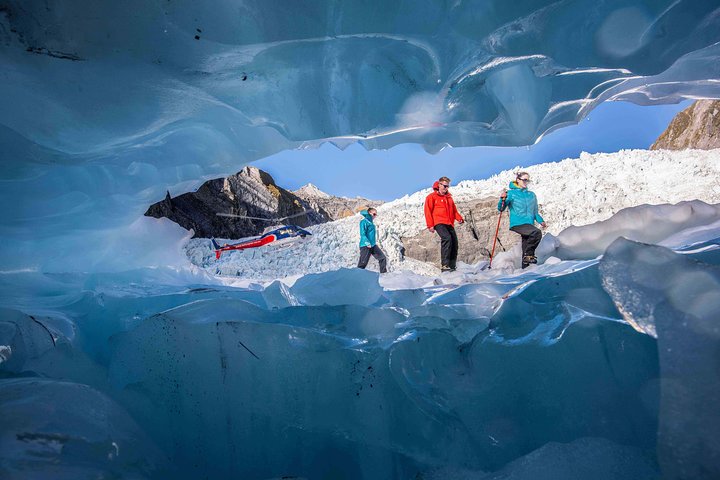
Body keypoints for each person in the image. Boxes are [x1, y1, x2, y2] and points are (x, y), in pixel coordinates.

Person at [499, 171, 547, 269]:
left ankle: (525, 269)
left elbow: (535, 212)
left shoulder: (532, 195)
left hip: (529, 224)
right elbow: (501, 208)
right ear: (518, 180)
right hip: (517, 223)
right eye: (524, 180)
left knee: (526, 247)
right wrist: (502, 199)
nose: (526, 182)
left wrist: (541, 221)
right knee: (536, 233)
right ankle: (528, 256)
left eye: (527, 180)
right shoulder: (511, 193)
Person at [424, 177, 464, 272]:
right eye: (444, 186)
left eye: (447, 186)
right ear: (439, 185)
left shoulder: (449, 198)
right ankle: (445, 265)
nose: (446, 188)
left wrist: (459, 218)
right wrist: (430, 225)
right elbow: (427, 211)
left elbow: (454, 211)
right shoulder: (431, 197)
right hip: (439, 222)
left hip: (449, 223)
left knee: (454, 243)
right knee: (447, 238)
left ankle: (452, 266)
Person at [358, 207, 387, 273]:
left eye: (376, 214)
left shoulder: (371, 223)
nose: (375, 216)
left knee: (382, 258)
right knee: (362, 263)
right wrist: (367, 242)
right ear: (369, 213)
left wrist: (372, 244)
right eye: (374, 214)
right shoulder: (363, 222)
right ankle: (357, 278)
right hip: (365, 245)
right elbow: (362, 234)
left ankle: (384, 274)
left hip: (373, 245)